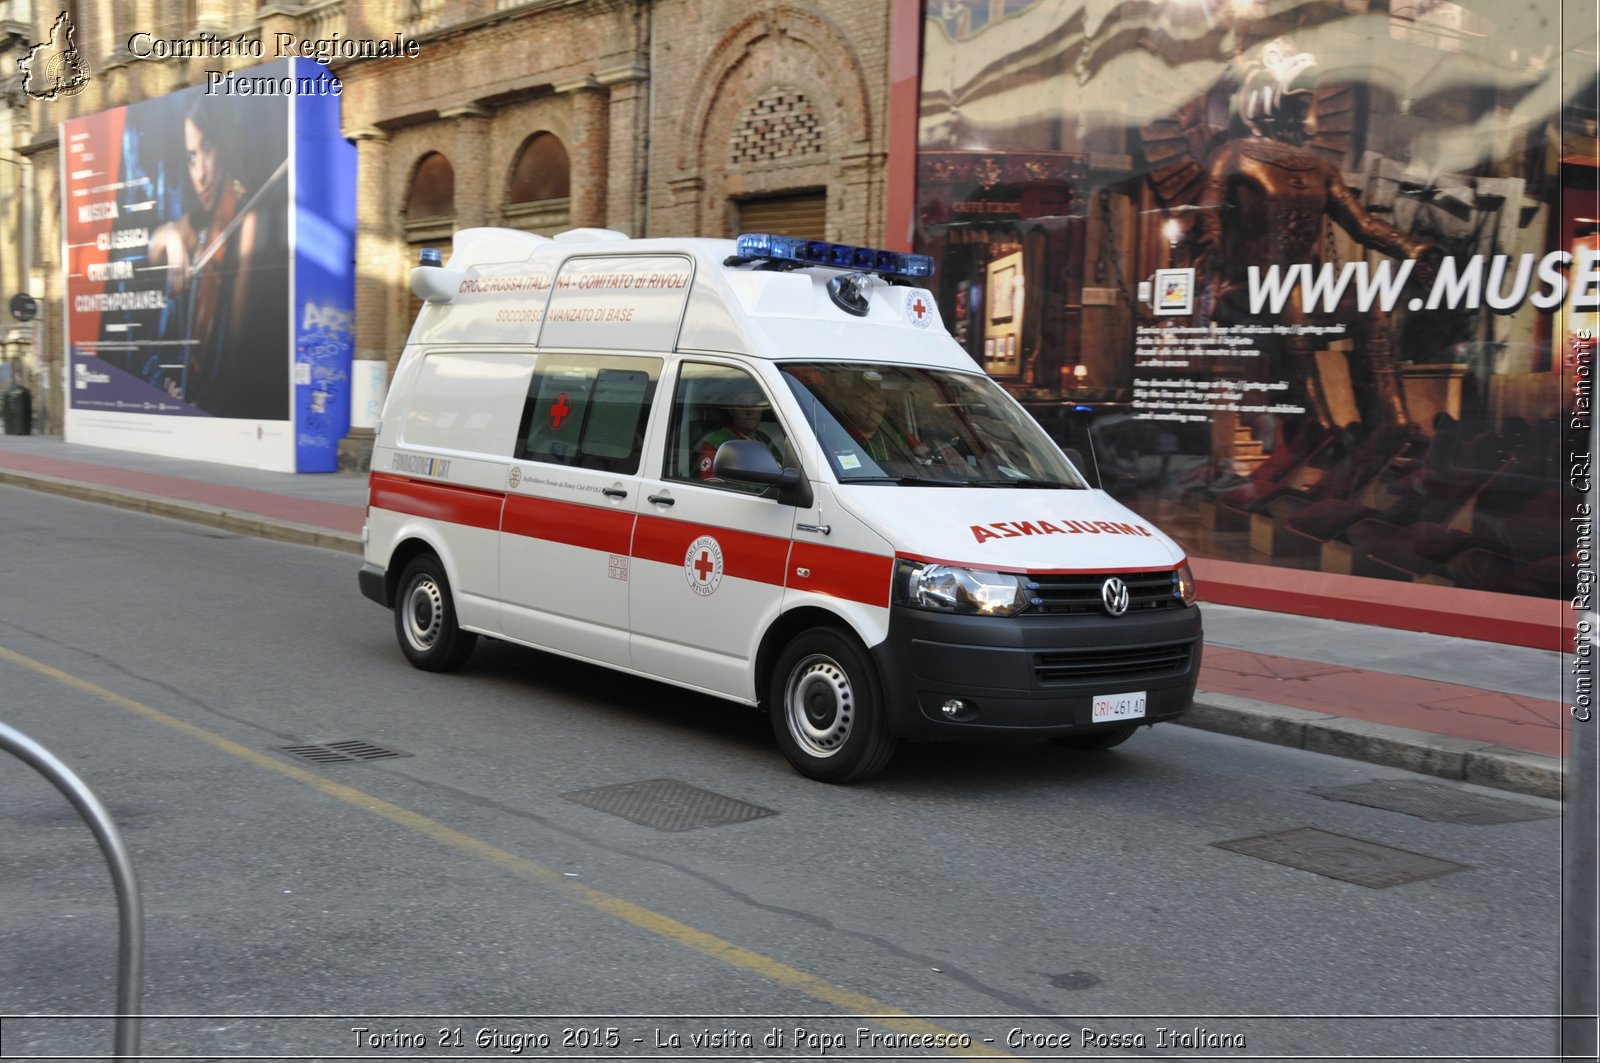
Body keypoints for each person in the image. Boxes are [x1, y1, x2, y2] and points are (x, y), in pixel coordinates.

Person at [146, 99, 265, 413]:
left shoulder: (245, 217)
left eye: (207, 148)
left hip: (215, 399)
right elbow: (153, 248)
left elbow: (235, 352)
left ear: (223, 144)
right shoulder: (197, 217)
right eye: (191, 157)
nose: (200, 173)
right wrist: (171, 238)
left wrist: (197, 402)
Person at [694, 395, 784, 479]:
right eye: (742, 405)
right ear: (731, 409)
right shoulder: (716, 441)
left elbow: (783, 469)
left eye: (755, 404)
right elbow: (711, 485)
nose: (750, 411)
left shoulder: (763, 438)